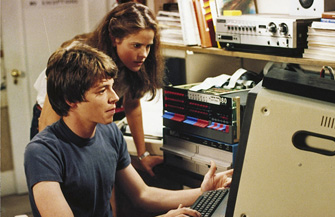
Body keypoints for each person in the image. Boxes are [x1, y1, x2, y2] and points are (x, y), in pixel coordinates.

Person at [24, 43, 233, 217]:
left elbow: (143, 195)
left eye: (112, 87)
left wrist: (205, 192)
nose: (114, 97)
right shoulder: (42, 152)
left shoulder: (109, 133)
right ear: (71, 100)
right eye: (101, 90)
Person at [31, 2, 165, 177]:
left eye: (148, 46)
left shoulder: (134, 63)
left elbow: (133, 107)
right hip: (55, 119)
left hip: (88, 122)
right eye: (137, 45)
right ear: (115, 39)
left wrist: (142, 155)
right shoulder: (77, 57)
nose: (144, 54)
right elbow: (48, 121)